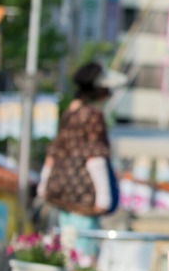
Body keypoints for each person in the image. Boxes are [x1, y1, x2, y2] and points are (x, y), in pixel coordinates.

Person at [38, 62, 125, 258]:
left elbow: (54, 152)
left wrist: (44, 183)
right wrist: (104, 197)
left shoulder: (69, 112)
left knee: (66, 248)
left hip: (62, 190)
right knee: (84, 252)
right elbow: (95, 157)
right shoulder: (93, 115)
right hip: (85, 194)